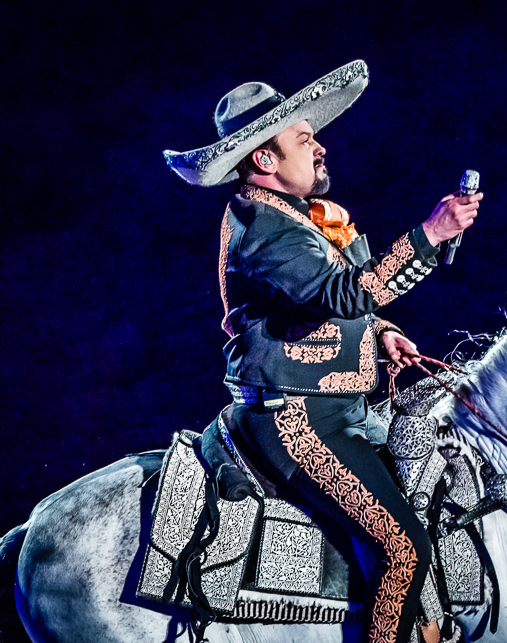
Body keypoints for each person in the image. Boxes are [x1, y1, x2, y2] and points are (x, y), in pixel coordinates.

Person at [163, 60, 480, 643]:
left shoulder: (296, 219)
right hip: (299, 421)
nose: (320, 148)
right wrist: (429, 234)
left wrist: (378, 332)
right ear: (265, 160)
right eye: (304, 140)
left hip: (342, 410)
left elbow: (327, 303)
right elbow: (341, 293)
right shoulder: (262, 225)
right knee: (404, 546)